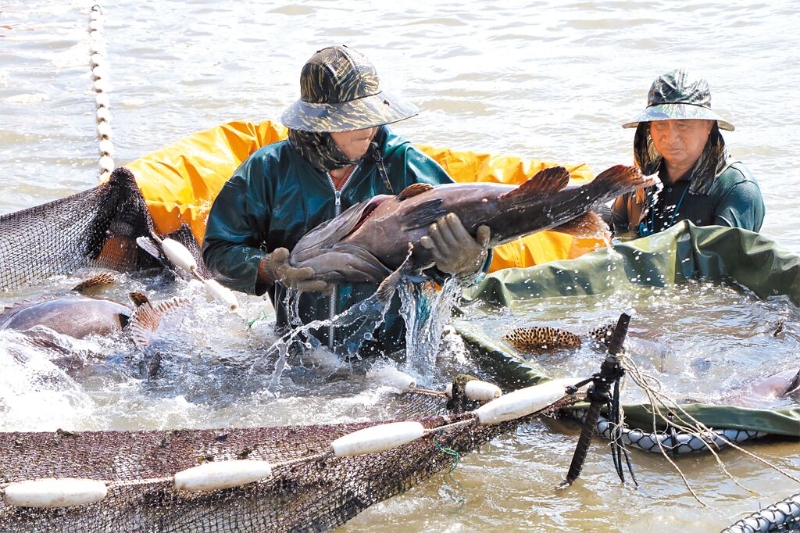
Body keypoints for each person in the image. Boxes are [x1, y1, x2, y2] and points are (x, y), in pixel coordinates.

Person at [202, 45, 490, 356]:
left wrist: (468, 262)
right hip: (302, 352)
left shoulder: (403, 164)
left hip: (396, 356)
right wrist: (268, 269)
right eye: (353, 118)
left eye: (373, 115)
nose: (369, 129)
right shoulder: (268, 170)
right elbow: (219, 252)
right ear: (318, 123)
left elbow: (472, 251)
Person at [610, 68, 765, 237]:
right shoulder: (639, 183)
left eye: (682, 125)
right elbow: (609, 236)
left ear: (708, 126)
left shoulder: (736, 188)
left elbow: (723, 260)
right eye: (661, 125)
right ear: (649, 129)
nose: (670, 138)